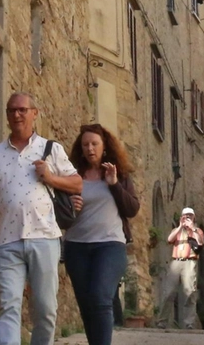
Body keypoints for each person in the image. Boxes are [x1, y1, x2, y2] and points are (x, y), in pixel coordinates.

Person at [0, 92, 82, 345]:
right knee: (8, 307)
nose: (17, 114)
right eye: (12, 110)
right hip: (6, 241)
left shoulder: (50, 149)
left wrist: (51, 178)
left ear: (34, 113)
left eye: (22, 109)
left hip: (44, 237)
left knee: (46, 310)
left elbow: (77, 183)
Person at [64, 124, 140, 345]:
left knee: (100, 298)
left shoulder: (119, 174)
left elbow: (132, 209)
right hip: (76, 246)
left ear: (104, 146)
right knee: (87, 304)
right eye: (85, 144)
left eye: (94, 144)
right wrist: (70, 206)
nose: (90, 148)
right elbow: (59, 215)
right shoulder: (73, 176)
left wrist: (114, 184)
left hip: (110, 245)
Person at [156, 207, 204, 328]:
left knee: (190, 292)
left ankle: (189, 323)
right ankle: (162, 321)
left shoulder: (197, 231)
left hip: (190, 262)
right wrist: (180, 226)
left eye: (190, 216)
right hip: (176, 262)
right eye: (185, 216)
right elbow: (169, 239)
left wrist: (192, 228)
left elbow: (200, 242)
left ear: (194, 218)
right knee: (168, 292)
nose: (188, 217)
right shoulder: (177, 231)